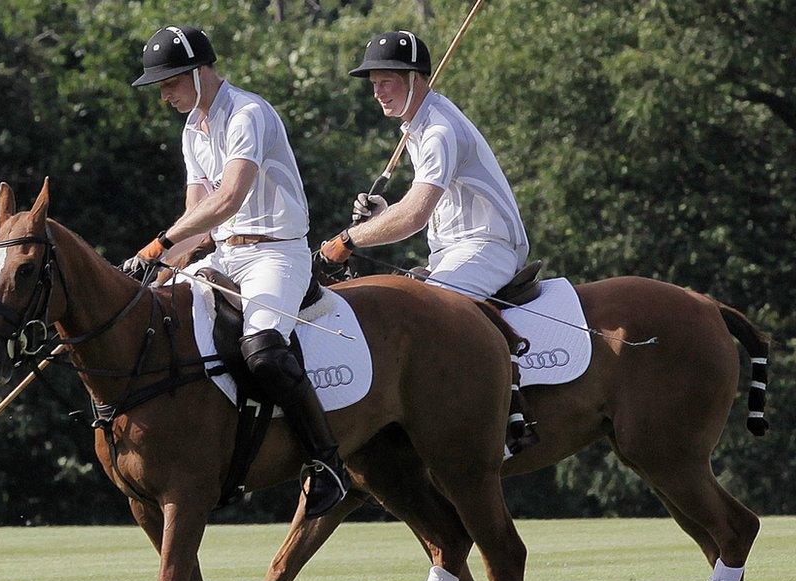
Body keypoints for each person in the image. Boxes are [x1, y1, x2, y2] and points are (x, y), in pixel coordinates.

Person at [124, 26, 348, 519]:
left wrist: (160, 241)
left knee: (264, 349)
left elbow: (228, 199)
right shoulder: (192, 132)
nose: (164, 94)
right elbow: (197, 221)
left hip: (277, 253)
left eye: (170, 82)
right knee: (159, 323)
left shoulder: (249, 114)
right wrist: (159, 264)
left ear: (201, 72)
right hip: (225, 255)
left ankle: (327, 463)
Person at [320, 30, 530, 299]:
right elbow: (433, 203)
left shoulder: (439, 131)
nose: (377, 93)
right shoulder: (416, 128)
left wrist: (348, 239)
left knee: (434, 313)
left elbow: (413, 216)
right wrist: (382, 216)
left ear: (414, 79)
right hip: (447, 252)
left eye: (386, 81)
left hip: (486, 248)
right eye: (374, 83)